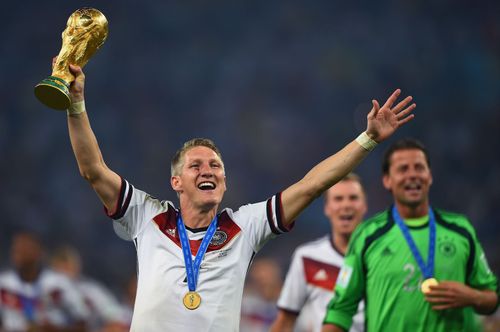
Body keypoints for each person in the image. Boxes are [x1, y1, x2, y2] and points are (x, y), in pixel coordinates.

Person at [61, 60, 415, 331]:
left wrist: (367, 140)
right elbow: (93, 169)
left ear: (225, 183)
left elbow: (311, 185)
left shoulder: (244, 226)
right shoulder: (146, 216)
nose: (208, 171)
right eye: (196, 166)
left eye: (215, 166)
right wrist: (76, 103)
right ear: (176, 182)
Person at [322, 138, 499, 332]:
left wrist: (472, 297)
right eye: (403, 169)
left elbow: (492, 297)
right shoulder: (367, 235)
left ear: (429, 176)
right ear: (387, 180)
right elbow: (340, 311)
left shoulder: (460, 229)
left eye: (419, 168)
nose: (412, 175)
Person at [271, 174, 367, 332]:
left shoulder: (381, 256)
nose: (346, 205)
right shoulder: (308, 257)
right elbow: (285, 321)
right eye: (338, 199)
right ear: (327, 208)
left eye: (353, 198)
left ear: (364, 206)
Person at [0, 232, 89, 332]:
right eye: (16, 249)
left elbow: (83, 324)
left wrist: (56, 330)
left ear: (38, 253)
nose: (18, 252)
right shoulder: (3, 285)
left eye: (25, 249)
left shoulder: (59, 283)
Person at [50, 246, 129, 332]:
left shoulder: (90, 289)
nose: (68, 268)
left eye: (70, 263)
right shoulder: (47, 287)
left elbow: (115, 313)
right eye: (63, 264)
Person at [240, 258, 282, 332]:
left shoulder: (289, 304)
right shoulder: (245, 303)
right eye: (258, 280)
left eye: (266, 279)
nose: (263, 283)